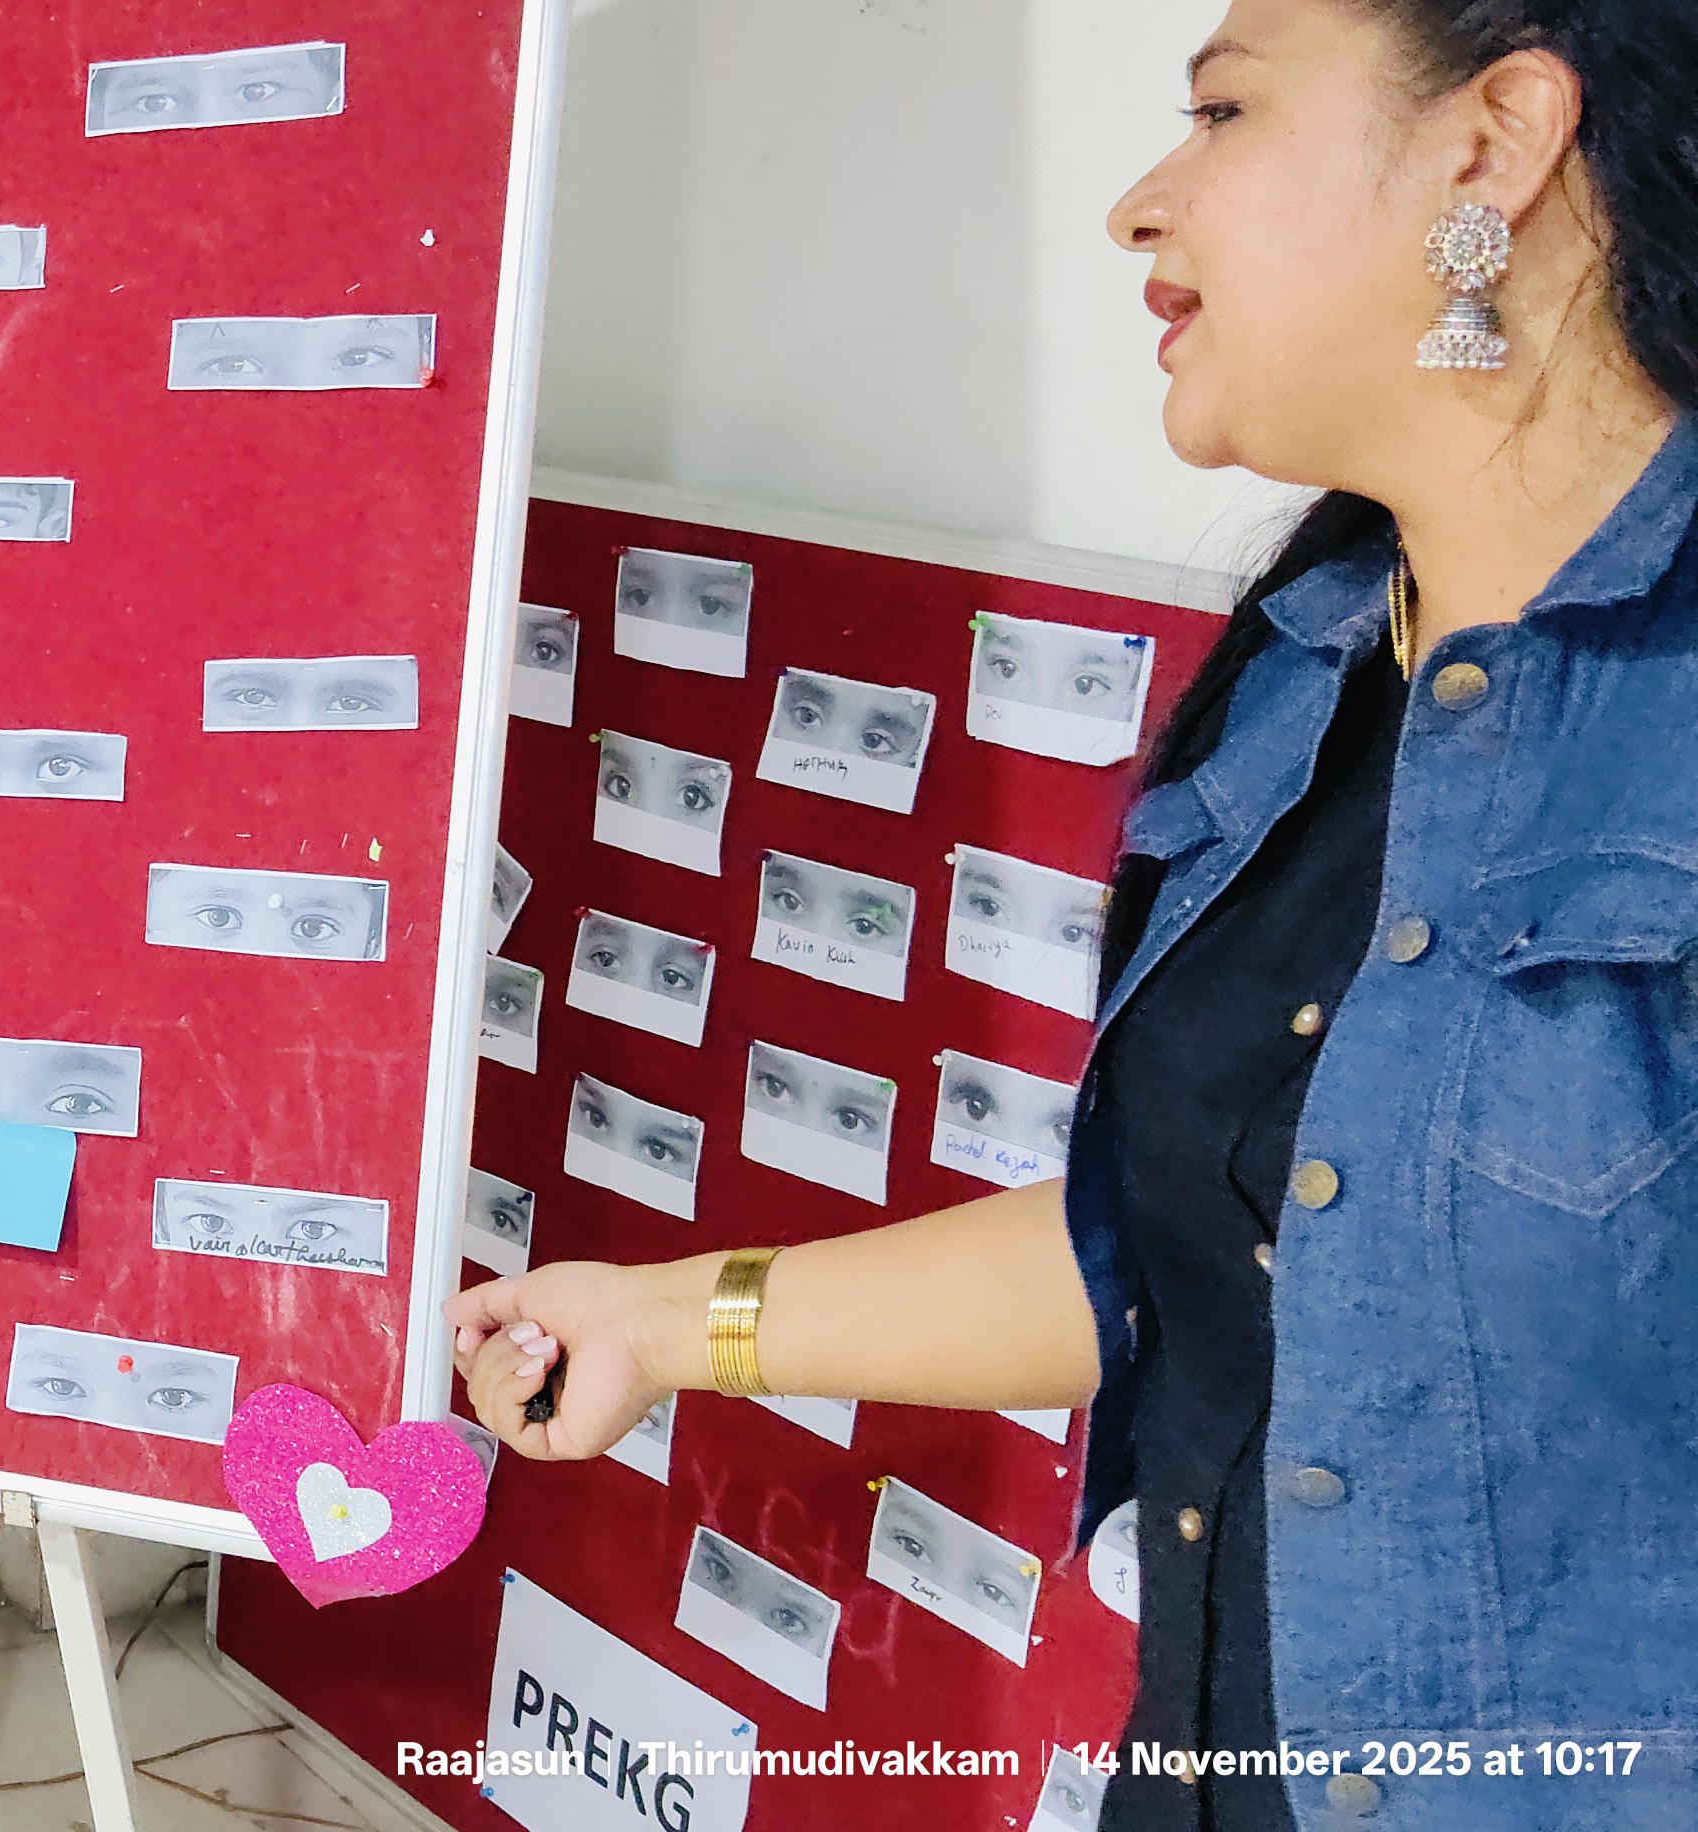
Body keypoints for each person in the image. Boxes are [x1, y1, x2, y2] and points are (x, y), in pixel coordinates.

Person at [451, 3, 1698, 1827]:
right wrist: (663, 1324)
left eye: (1224, 112)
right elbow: (1221, 1242)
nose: (1140, 205)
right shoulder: (1307, 673)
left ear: (1493, 143)